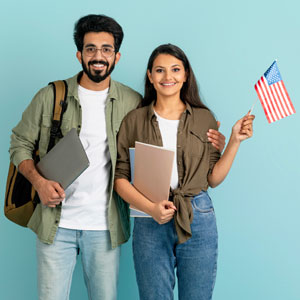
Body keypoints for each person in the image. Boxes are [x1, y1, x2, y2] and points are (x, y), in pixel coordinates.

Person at [9, 14, 143, 300]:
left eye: (106, 49)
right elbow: (19, 143)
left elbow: (153, 145)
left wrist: (213, 139)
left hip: (105, 227)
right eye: (91, 48)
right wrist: (39, 182)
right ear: (79, 54)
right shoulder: (50, 96)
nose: (98, 56)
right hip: (55, 226)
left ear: (117, 56)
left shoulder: (133, 102)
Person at [114, 44, 255, 300]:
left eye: (175, 69)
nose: (168, 77)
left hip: (198, 215)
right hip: (150, 219)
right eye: (160, 70)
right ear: (150, 76)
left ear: (186, 74)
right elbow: (120, 179)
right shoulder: (133, 121)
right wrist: (150, 209)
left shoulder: (204, 118)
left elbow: (213, 179)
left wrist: (234, 141)